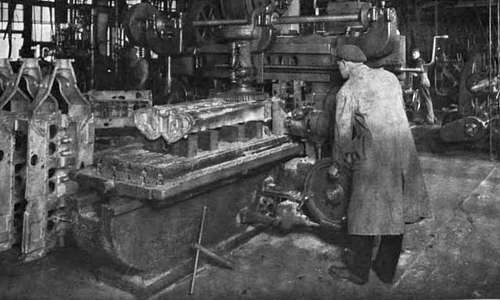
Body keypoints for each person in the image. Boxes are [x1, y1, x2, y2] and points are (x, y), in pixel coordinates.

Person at [328, 45, 430, 285]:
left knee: (362, 215)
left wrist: (337, 164)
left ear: (345, 63)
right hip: (403, 149)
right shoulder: (390, 78)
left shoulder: (347, 90)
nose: (338, 69)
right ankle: (386, 270)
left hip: (374, 155)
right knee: (395, 210)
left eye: (338, 65)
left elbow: (342, 135)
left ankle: (358, 272)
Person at [410, 48, 436, 124]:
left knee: (426, 100)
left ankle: (430, 119)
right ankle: (430, 118)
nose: (413, 55)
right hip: (424, 82)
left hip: (423, 82)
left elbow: (418, 71)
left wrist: (411, 73)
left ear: (418, 54)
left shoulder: (420, 61)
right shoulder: (419, 61)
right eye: (412, 54)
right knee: (425, 100)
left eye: (415, 53)